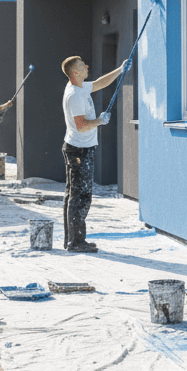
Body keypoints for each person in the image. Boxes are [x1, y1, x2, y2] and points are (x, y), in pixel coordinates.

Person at [61, 55, 131, 252]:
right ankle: (75, 242)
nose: (87, 66)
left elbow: (100, 83)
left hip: (79, 148)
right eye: (83, 66)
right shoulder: (74, 94)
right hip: (79, 151)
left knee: (74, 194)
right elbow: (81, 125)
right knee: (80, 196)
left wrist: (120, 70)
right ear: (75, 73)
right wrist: (99, 121)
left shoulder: (81, 87)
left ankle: (72, 239)